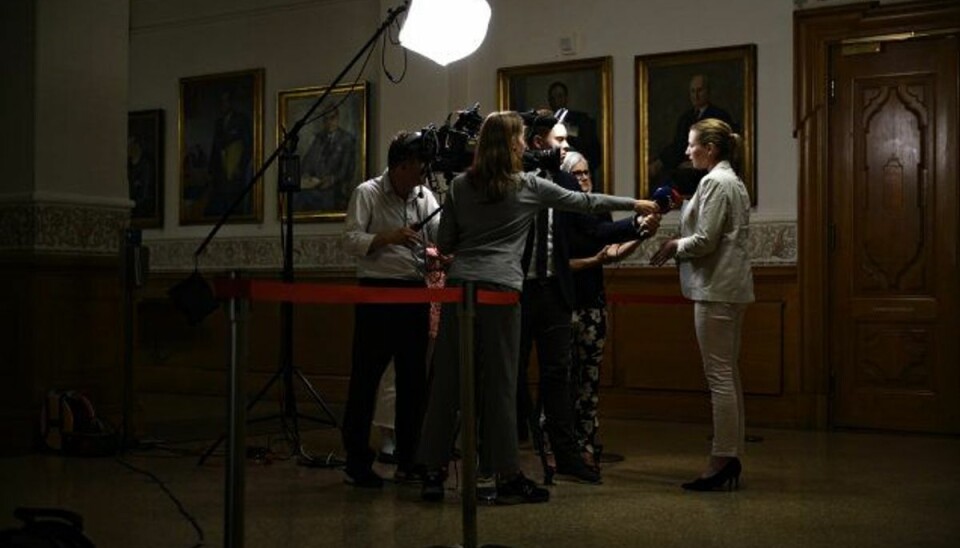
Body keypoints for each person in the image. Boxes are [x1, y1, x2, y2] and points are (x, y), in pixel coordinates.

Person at [416, 110, 658, 505]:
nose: (528, 145)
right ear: (513, 144)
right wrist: (637, 203)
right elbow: (585, 202)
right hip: (501, 293)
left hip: (460, 290)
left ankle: (432, 471)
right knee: (500, 385)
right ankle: (504, 475)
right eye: (524, 139)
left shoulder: (460, 186)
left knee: (448, 380)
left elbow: (445, 246)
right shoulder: (527, 186)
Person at [516, 111, 655, 485]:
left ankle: (567, 457)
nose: (564, 146)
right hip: (517, 290)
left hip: (555, 289)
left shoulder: (563, 179)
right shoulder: (515, 182)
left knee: (558, 375)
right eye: (557, 141)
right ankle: (506, 456)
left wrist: (635, 223)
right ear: (535, 142)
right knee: (511, 374)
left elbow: (591, 223)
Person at [649, 118, 754, 491]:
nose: (686, 151)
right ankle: (732, 454)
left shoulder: (715, 181)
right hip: (731, 289)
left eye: (692, 145)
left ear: (709, 149)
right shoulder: (730, 180)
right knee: (729, 374)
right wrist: (684, 204)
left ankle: (721, 460)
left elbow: (706, 240)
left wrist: (672, 246)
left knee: (720, 377)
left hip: (715, 290)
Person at [340, 131, 441, 488]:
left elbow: (437, 236)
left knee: (413, 382)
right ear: (400, 165)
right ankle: (357, 461)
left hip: (414, 293)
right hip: (377, 294)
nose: (424, 174)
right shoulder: (367, 193)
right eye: (418, 166)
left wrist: (438, 253)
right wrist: (389, 237)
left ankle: (409, 459)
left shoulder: (425, 196)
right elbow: (350, 240)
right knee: (366, 379)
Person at [559, 150, 660, 470]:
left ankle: (586, 443)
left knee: (589, 382)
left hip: (593, 305)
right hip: (563, 307)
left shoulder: (598, 209)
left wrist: (642, 234)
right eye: (576, 174)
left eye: (587, 172)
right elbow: (574, 255)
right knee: (561, 382)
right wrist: (633, 223)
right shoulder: (561, 211)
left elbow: (610, 250)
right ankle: (557, 446)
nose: (585, 178)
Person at [649, 74, 735, 195]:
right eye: (693, 91)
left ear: (708, 92)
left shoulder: (719, 116)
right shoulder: (686, 118)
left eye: (700, 90)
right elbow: (678, 146)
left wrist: (693, 164)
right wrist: (660, 162)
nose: (696, 95)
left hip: (702, 171)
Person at [297, 107, 358, 213]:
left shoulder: (347, 140)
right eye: (326, 119)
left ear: (337, 119)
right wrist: (306, 174)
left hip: (335, 187)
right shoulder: (319, 138)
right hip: (316, 185)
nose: (329, 122)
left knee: (325, 199)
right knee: (298, 197)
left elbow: (347, 169)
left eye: (332, 118)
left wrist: (332, 179)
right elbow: (308, 160)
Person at [205, 89, 253, 216]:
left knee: (234, 202)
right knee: (219, 203)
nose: (223, 104)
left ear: (231, 102)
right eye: (221, 102)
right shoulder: (219, 123)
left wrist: (240, 167)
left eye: (226, 101)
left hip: (235, 170)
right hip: (220, 171)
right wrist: (210, 170)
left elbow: (248, 146)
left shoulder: (242, 120)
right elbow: (215, 147)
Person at [547, 81, 602, 187]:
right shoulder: (545, 123)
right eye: (552, 98)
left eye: (559, 96)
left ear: (566, 98)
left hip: (579, 175)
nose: (556, 101)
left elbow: (595, 153)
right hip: (556, 178)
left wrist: (582, 170)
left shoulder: (582, 120)